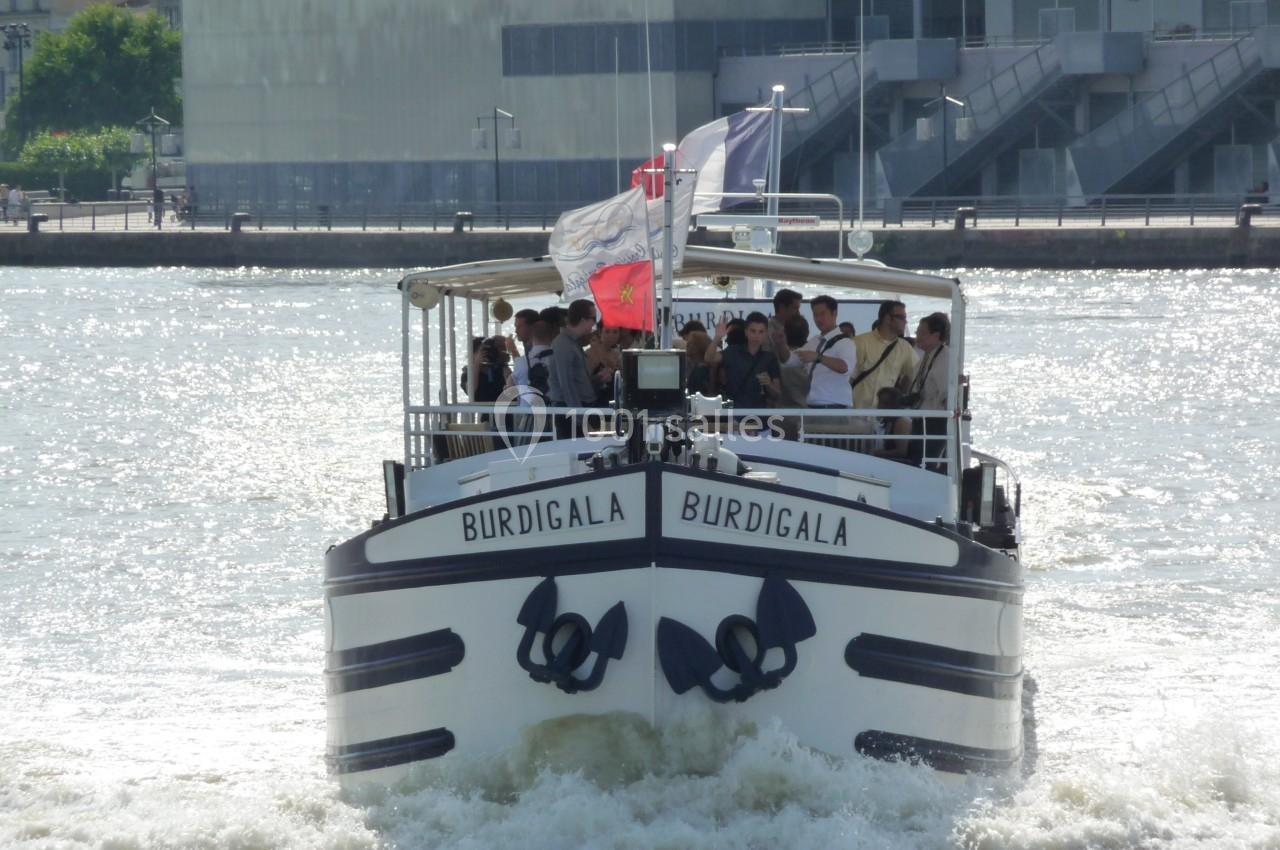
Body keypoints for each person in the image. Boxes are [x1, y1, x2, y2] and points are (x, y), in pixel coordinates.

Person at [780, 295, 855, 408]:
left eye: (822, 314)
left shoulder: (846, 343)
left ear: (834, 314)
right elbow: (789, 360)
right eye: (815, 315)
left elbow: (845, 367)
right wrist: (780, 344)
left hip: (835, 407)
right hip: (812, 406)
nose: (818, 319)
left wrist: (818, 357)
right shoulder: (814, 341)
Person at [548, 299, 604, 435]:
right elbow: (566, 384)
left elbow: (577, 380)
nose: (594, 323)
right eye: (593, 318)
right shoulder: (564, 345)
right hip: (571, 412)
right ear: (583, 319)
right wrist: (581, 420)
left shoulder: (572, 343)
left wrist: (598, 379)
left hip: (577, 409)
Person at [851, 300, 918, 414]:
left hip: (883, 416)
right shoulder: (860, 342)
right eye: (901, 317)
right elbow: (848, 378)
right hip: (855, 411)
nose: (905, 321)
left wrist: (900, 396)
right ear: (887, 318)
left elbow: (915, 374)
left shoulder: (905, 348)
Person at [905, 312, 951, 467]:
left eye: (922, 333)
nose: (917, 336)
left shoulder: (945, 358)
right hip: (922, 418)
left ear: (936, 335)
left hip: (934, 421)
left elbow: (946, 392)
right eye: (918, 332)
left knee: (927, 463)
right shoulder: (927, 355)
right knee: (918, 460)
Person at [717, 311, 780, 410]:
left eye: (761, 332)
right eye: (753, 331)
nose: (756, 336)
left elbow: (777, 394)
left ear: (766, 333)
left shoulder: (770, 358)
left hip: (759, 413)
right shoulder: (733, 351)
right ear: (746, 332)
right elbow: (709, 358)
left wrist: (768, 384)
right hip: (733, 410)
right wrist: (717, 337)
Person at [509, 319, 556, 404]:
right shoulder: (558, 359)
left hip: (527, 411)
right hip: (553, 411)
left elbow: (510, 386)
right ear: (552, 336)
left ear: (531, 337)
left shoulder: (521, 362)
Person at [585, 322, 621, 404]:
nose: (611, 336)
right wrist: (599, 377)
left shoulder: (617, 354)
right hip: (594, 402)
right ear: (600, 333)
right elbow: (584, 381)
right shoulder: (591, 353)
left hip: (613, 402)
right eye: (607, 331)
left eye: (615, 332)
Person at [873, 387, 914, 460]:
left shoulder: (902, 421)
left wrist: (873, 453)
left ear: (895, 404)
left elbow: (901, 452)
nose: (881, 407)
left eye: (886, 404)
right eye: (880, 403)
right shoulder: (889, 421)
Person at [764, 288, 803, 356]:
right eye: (795, 308)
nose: (798, 312)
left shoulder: (795, 328)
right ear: (782, 307)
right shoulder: (767, 331)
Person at [684, 330, 714, 396]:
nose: (687, 344)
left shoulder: (701, 371)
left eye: (691, 343)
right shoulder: (694, 368)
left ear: (699, 346)